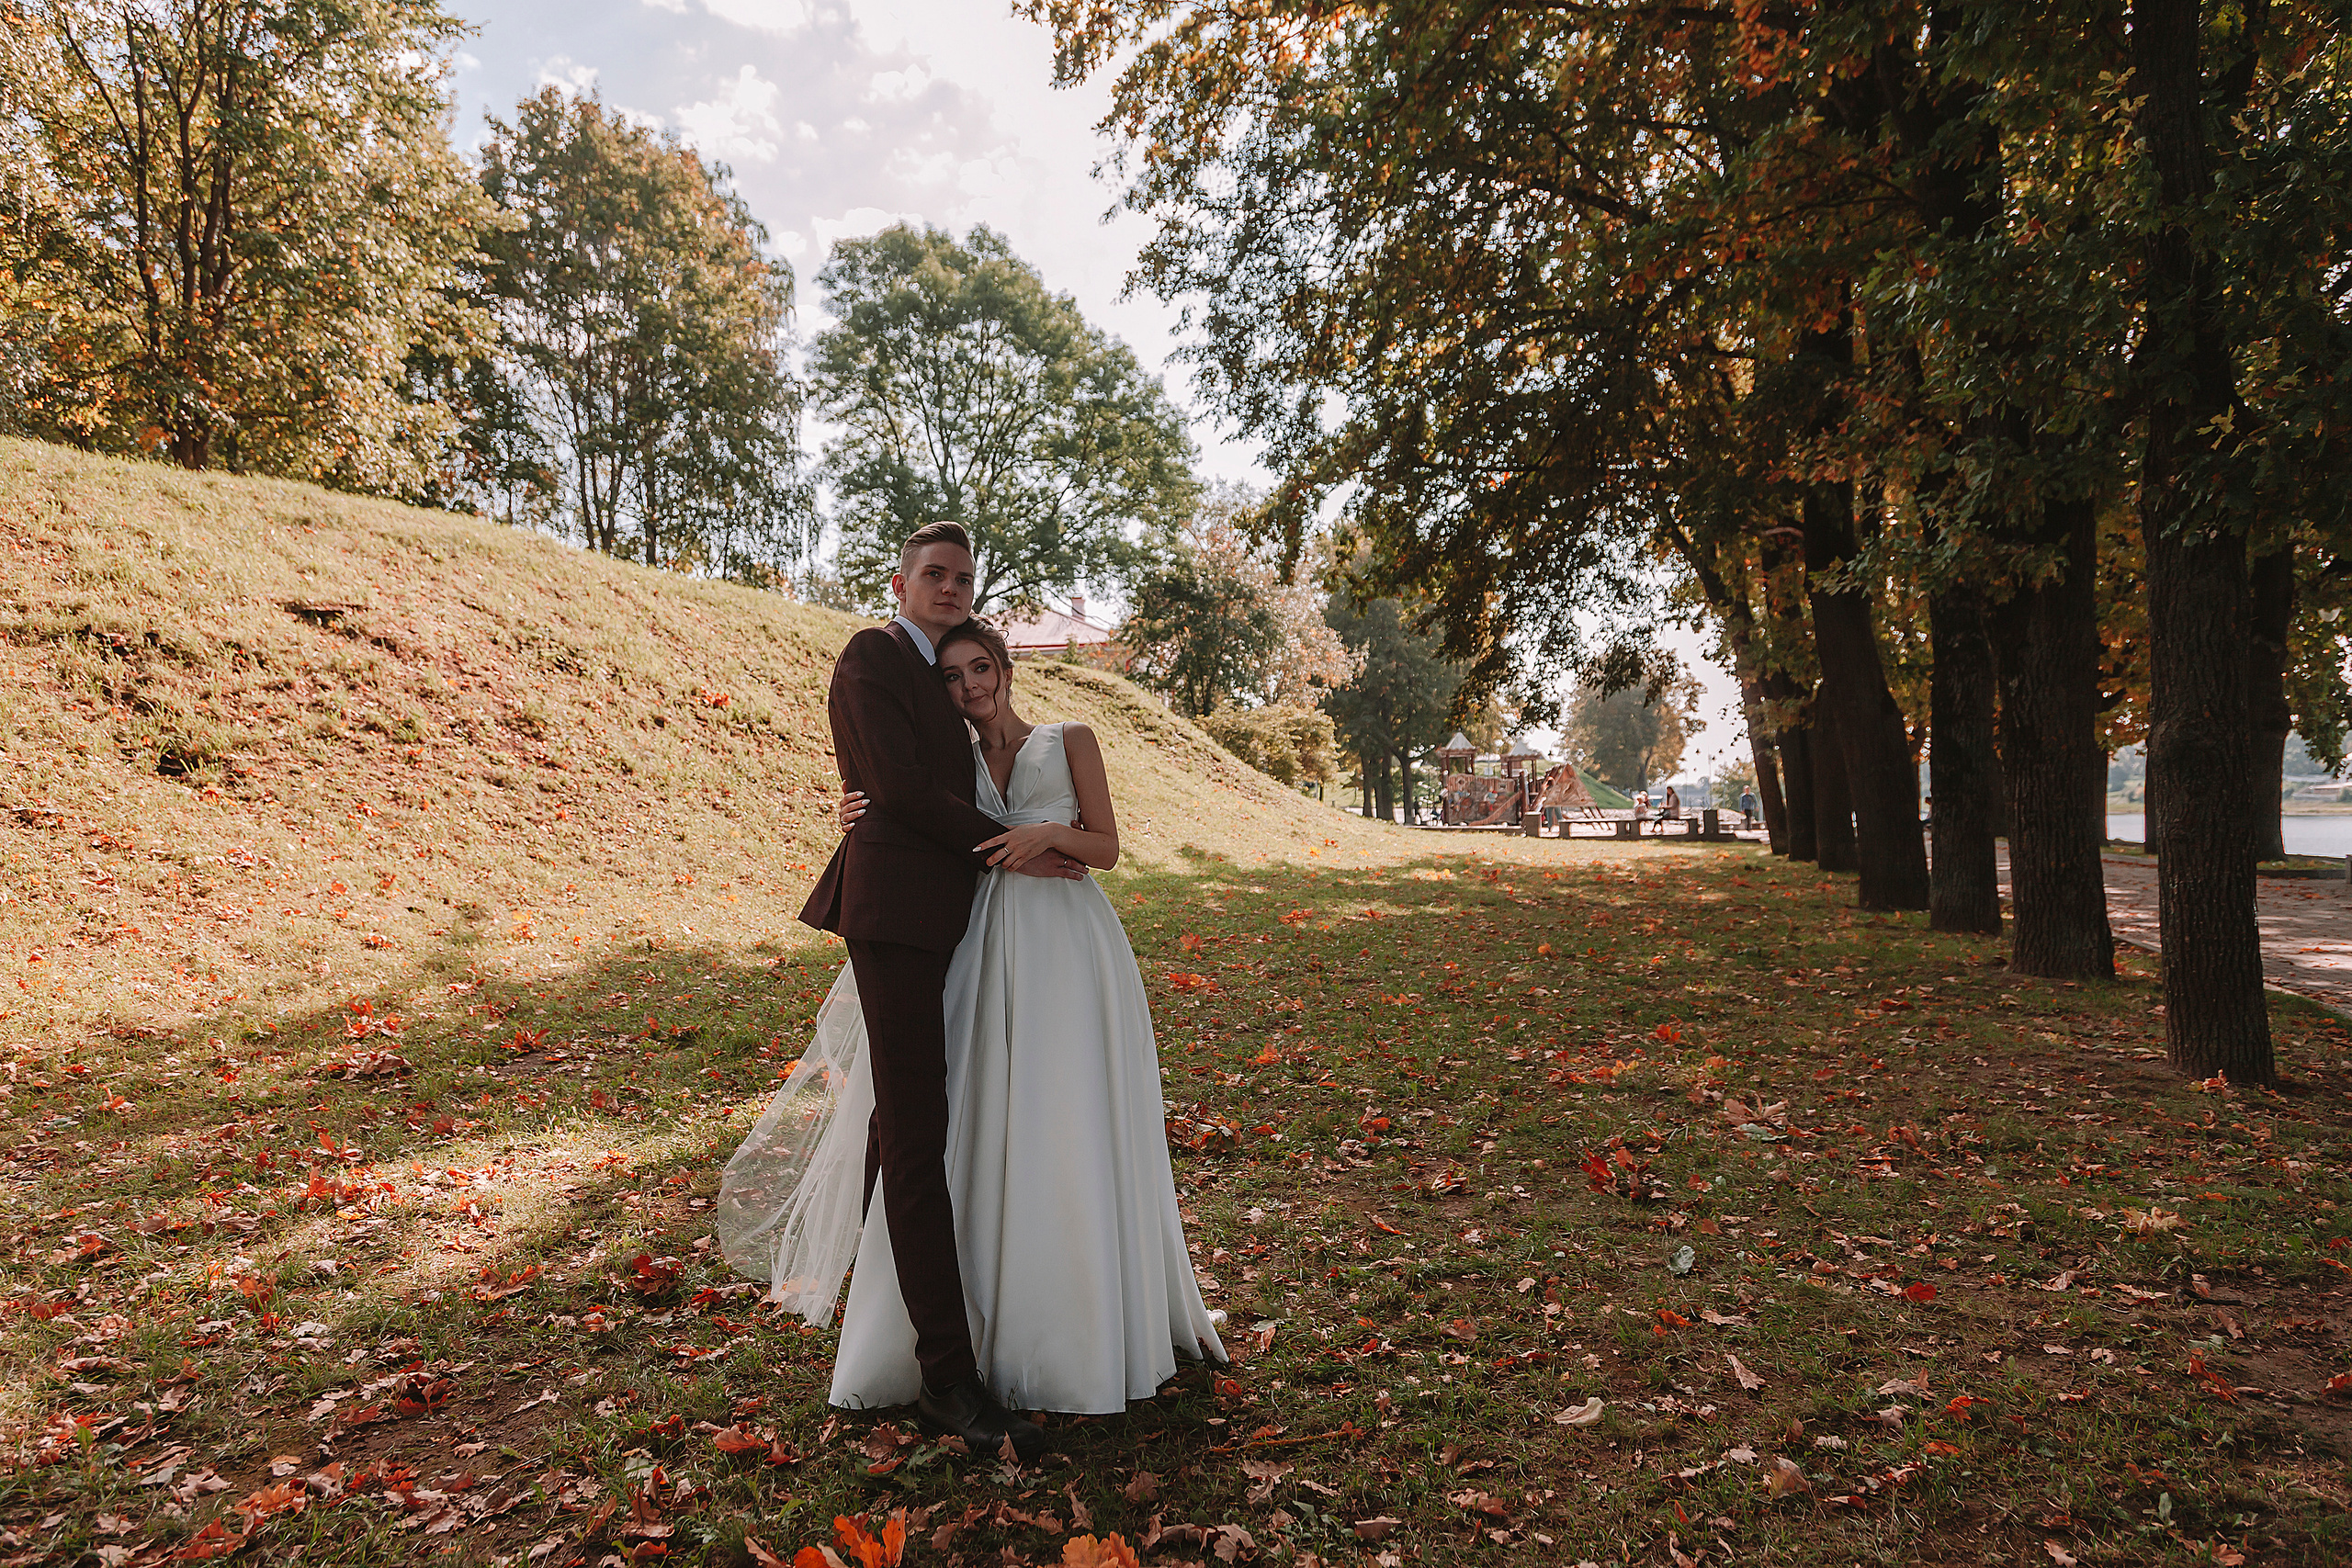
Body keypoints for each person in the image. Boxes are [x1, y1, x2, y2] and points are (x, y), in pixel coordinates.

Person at [720, 613, 1226, 1425]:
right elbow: (904, 797)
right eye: (952, 677)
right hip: (984, 943)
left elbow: (1106, 847)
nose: (968, 687)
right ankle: (981, 1322)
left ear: (1004, 667)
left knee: (1067, 1116)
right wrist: (858, 808)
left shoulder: (1071, 738)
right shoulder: (954, 757)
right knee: (986, 1116)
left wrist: (1046, 833)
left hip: (1067, 945)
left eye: (979, 669)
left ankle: (1092, 1313)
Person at [766, 523, 1082, 1461]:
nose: (949, 587)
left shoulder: (950, 677)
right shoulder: (872, 654)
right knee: (914, 1133)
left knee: (897, 1121)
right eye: (934, 575)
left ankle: (875, 1300)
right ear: (899, 582)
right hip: (900, 916)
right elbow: (897, 788)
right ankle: (947, 1377)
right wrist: (1011, 854)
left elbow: (934, 776)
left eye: (964, 577)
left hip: (953, 915)